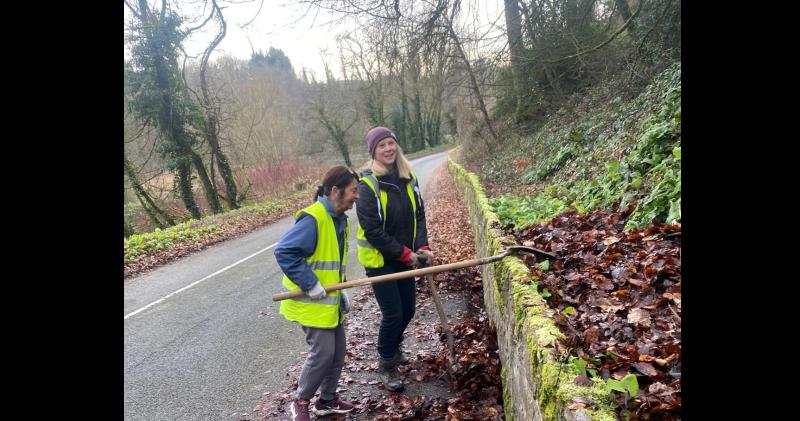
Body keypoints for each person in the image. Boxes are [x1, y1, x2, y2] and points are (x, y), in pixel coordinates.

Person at [275, 165, 360, 421]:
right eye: (354, 191)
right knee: (323, 354)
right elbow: (284, 252)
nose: (357, 196)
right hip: (310, 302)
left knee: (338, 351)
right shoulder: (314, 218)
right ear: (335, 190)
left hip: (329, 300)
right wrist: (310, 283)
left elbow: (333, 260)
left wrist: (342, 289)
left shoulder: (339, 219)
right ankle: (300, 402)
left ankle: (327, 400)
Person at [355, 126, 434, 392]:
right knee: (393, 313)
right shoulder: (367, 186)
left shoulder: (408, 177)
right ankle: (386, 364)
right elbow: (373, 230)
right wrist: (404, 254)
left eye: (391, 143)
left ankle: (393, 348)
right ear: (373, 152)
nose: (388, 149)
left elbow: (419, 215)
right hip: (380, 261)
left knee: (408, 310)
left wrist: (422, 246)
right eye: (381, 146)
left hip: (407, 256)